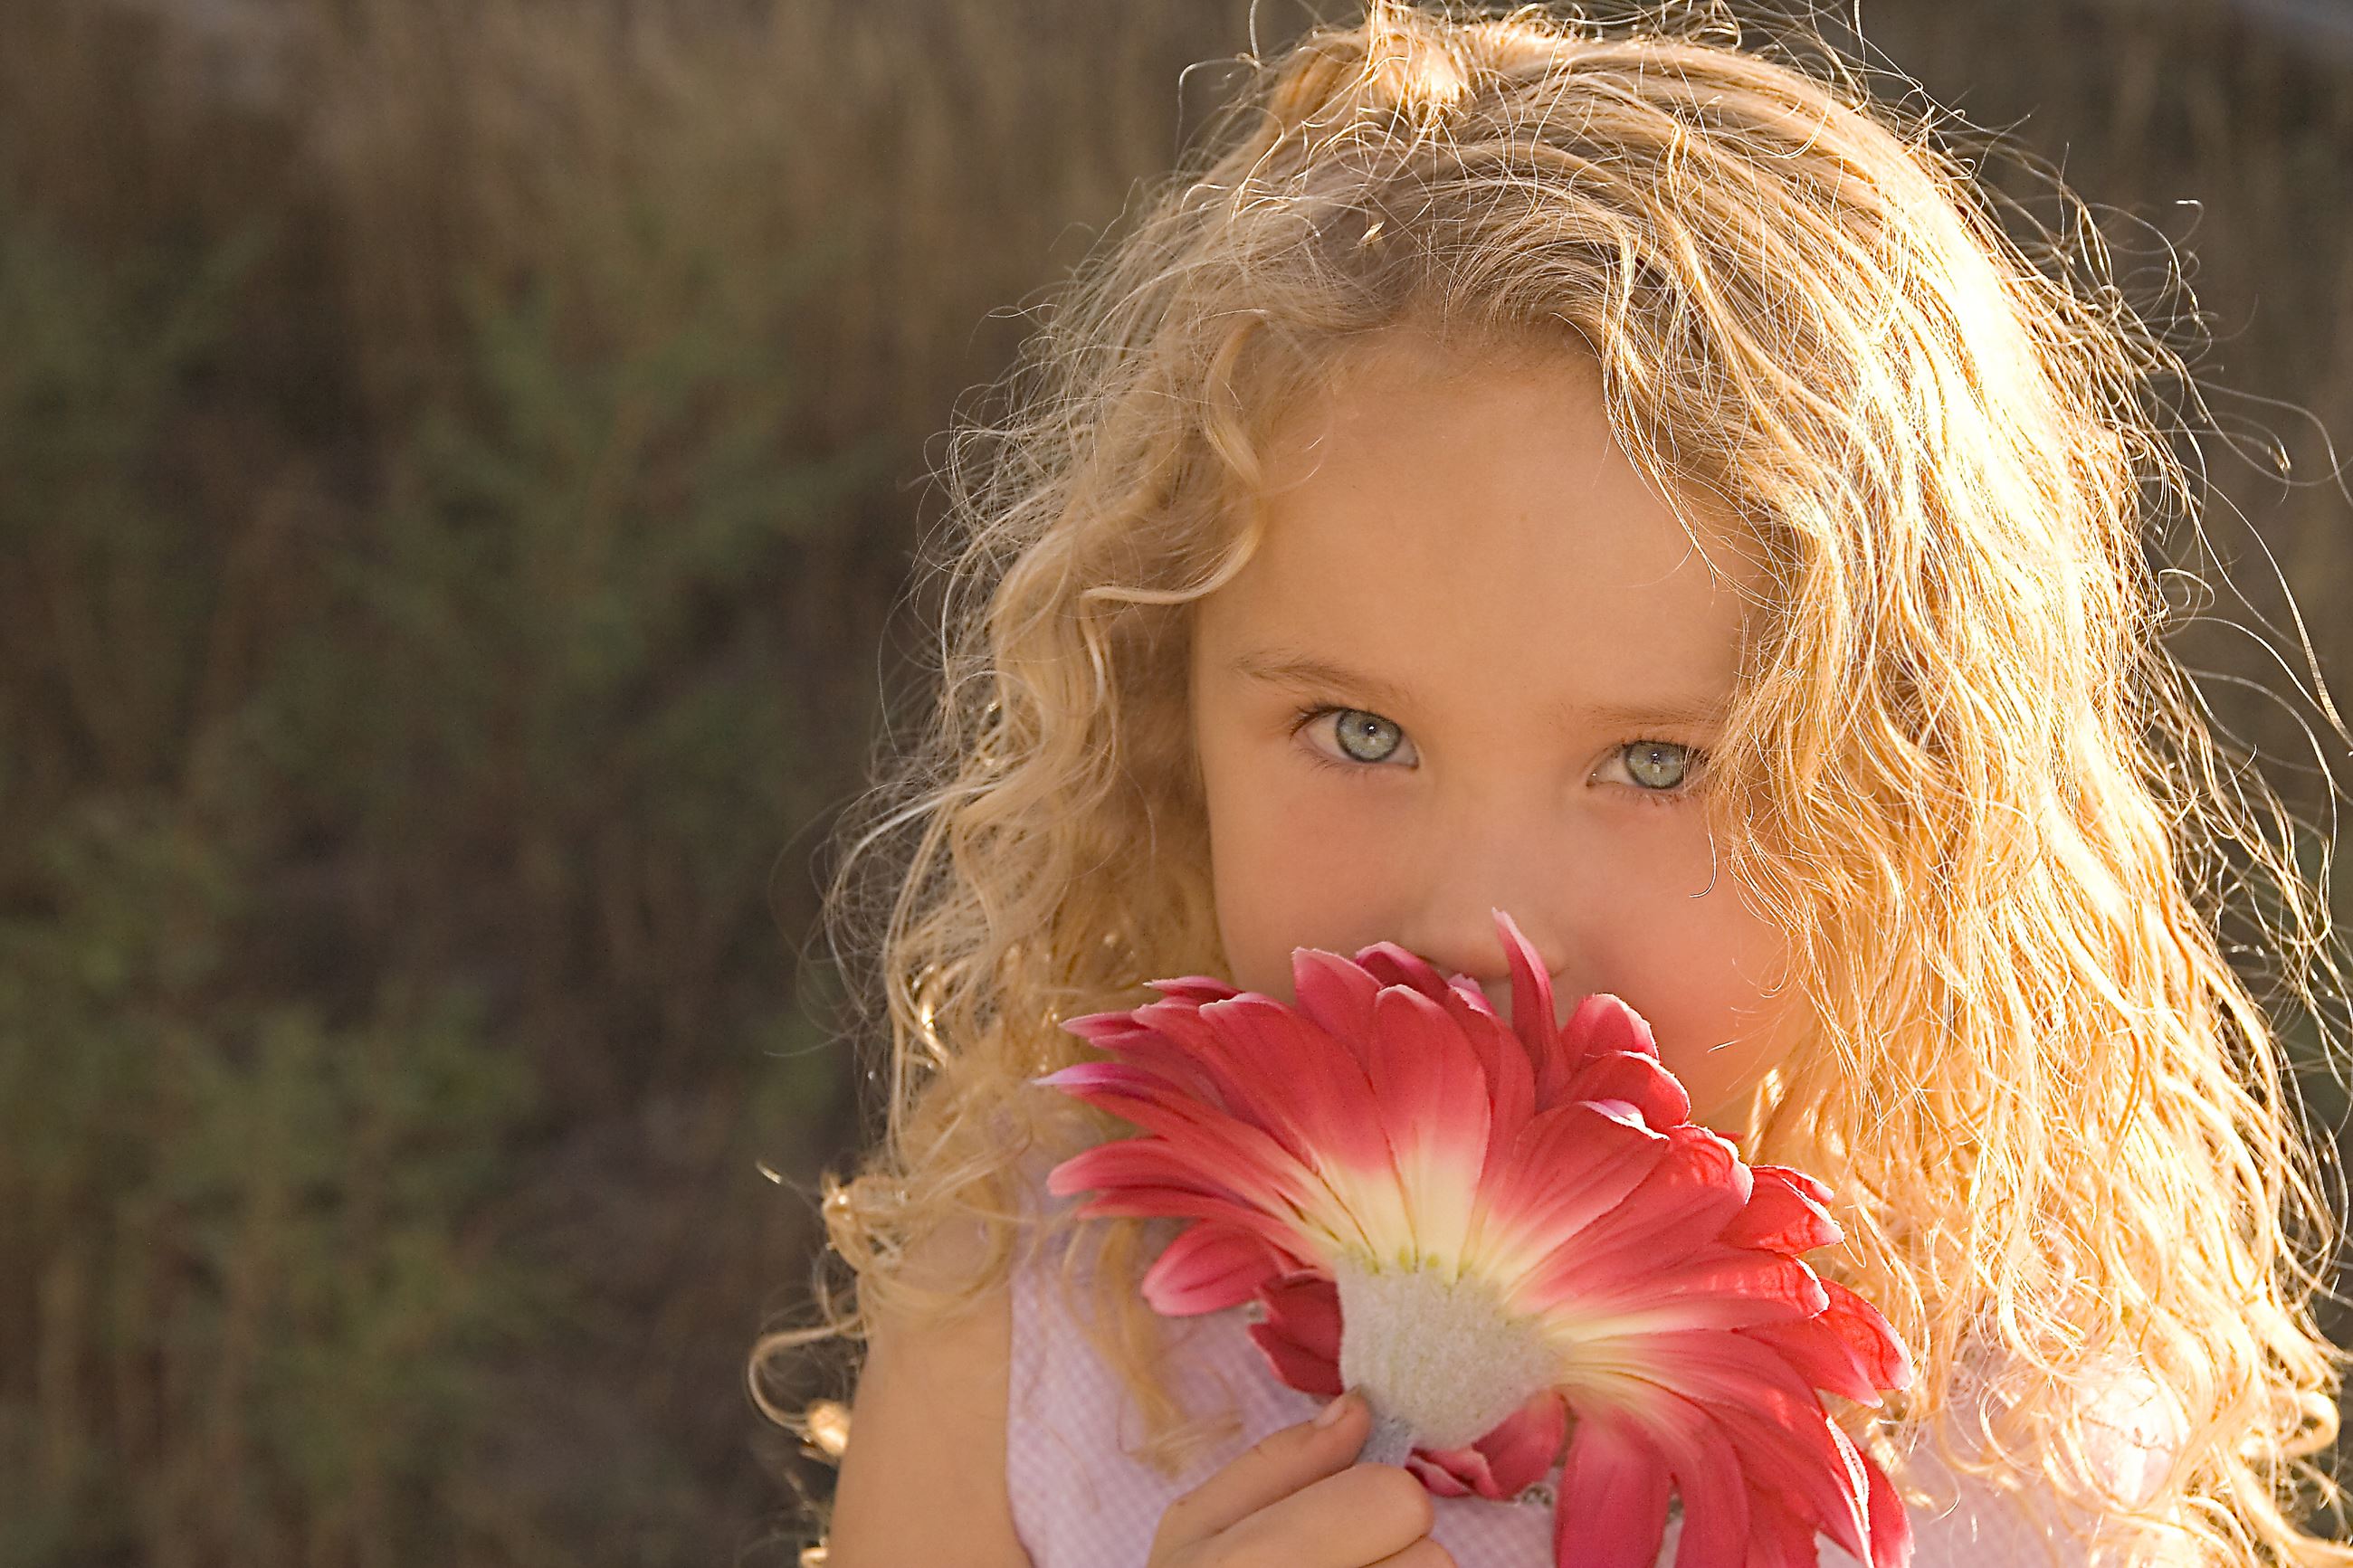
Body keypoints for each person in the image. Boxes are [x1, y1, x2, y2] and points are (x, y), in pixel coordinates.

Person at [754, 4, 2353, 1564]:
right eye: (1357, 732)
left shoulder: (2021, 1439)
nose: (1483, 925)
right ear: (1167, 726)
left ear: (1914, 811)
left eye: (1656, 763)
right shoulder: (1031, 1312)